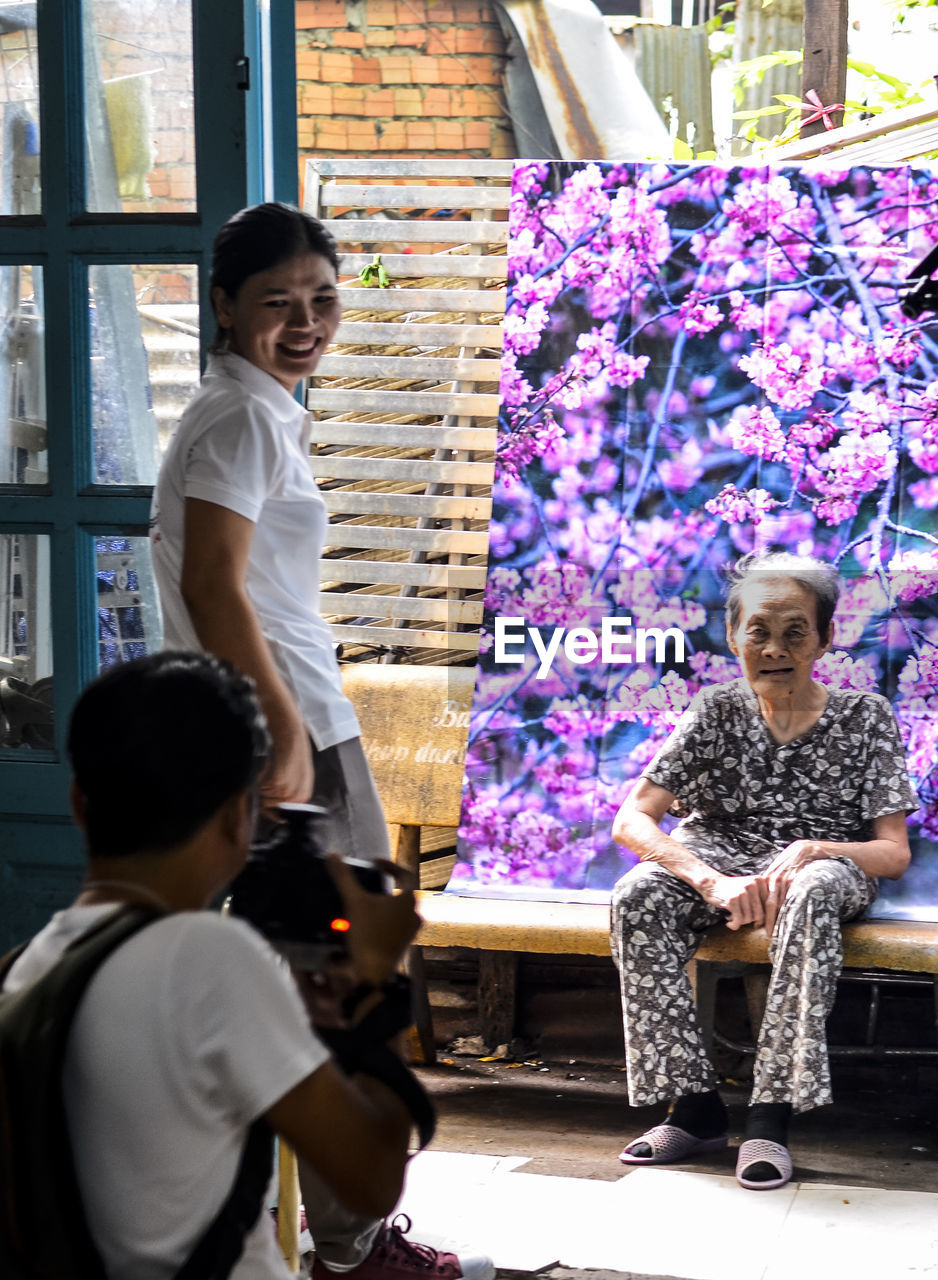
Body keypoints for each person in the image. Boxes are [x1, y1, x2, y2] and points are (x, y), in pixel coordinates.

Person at [148, 204, 491, 1279]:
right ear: (222, 308)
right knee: (346, 973)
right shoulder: (241, 419)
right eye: (275, 303)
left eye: (322, 300)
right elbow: (212, 582)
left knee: (295, 976)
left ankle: (303, 1234)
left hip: (274, 722)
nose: (304, 322)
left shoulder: (250, 410)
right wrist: (285, 728)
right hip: (286, 732)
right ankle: (352, 1246)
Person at [0, 652, 450, 1279]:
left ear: (79, 803)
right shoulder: (207, 959)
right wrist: (375, 982)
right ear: (243, 815)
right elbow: (367, 1183)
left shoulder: (25, 970)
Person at [609, 551, 918, 1191]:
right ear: (733, 636)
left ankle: (769, 1118)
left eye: (794, 631)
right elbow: (632, 821)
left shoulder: (865, 718)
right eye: (759, 630)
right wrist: (710, 881)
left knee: (807, 890)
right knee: (638, 894)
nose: (774, 648)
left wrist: (820, 848)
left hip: (826, 865)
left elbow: (892, 853)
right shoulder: (715, 711)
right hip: (719, 857)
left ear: (826, 639)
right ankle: (694, 1110)